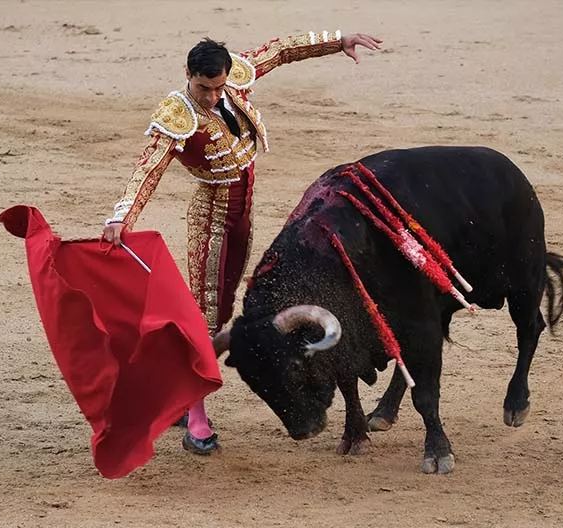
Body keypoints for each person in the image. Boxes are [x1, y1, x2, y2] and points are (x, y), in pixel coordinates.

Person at [102, 30, 383, 455]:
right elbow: (149, 168)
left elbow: (282, 50)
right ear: (188, 76)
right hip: (211, 221)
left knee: (228, 308)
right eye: (203, 88)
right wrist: (122, 215)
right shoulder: (178, 113)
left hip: (242, 217)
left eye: (218, 87)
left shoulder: (235, 78)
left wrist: (337, 40)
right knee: (205, 317)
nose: (213, 97)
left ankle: (176, 393)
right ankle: (195, 423)